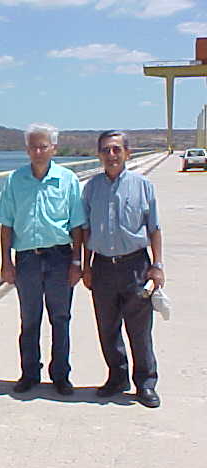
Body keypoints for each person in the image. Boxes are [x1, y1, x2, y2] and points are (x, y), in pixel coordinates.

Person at [0, 123, 85, 395]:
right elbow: (6, 224)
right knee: (29, 319)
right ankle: (29, 372)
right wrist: (6, 262)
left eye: (43, 146)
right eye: (33, 146)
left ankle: (61, 375)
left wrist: (77, 262)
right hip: (27, 260)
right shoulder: (15, 180)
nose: (37, 151)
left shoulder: (67, 180)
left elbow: (77, 226)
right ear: (27, 149)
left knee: (61, 318)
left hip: (60, 258)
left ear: (53, 148)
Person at [82, 130, 163, 408]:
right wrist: (85, 267)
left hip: (135, 266)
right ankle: (117, 378)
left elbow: (154, 228)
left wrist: (157, 266)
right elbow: (86, 230)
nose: (111, 155)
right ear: (99, 155)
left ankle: (146, 383)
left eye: (117, 149)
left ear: (127, 153)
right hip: (103, 267)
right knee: (107, 328)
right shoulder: (91, 188)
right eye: (106, 150)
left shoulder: (143, 186)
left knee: (139, 330)